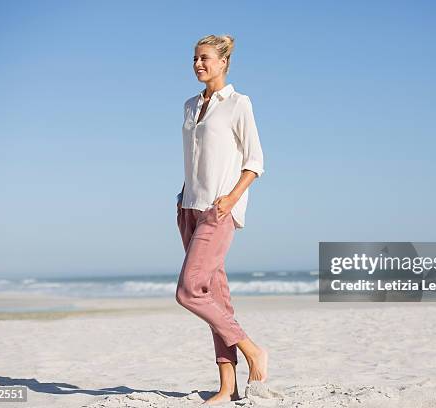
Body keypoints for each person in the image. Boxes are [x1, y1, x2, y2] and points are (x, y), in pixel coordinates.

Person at [174, 34, 268, 405]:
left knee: (189, 290)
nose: (198, 64)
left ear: (224, 62)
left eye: (205, 58)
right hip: (189, 208)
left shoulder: (239, 104)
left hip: (219, 210)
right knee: (215, 297)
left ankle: (253, 351)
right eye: (195, 58)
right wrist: (183, 199)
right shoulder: (189, 105)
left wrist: (230, 199)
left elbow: (255, 161)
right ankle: (227, 386)